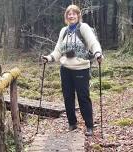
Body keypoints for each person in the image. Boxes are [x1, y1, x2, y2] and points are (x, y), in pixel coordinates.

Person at [42, 4, 102, 136]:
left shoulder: (84, 28)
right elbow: (58, 50)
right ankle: (72, 123)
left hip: (81, 69)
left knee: (83, 97)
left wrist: (98, 53)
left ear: (78, 15)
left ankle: (89, 126)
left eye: (74, 13)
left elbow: (93, 42)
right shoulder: (64, 31)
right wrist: (49, 57)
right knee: (68, 97)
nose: (71, 16)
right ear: (66, 17)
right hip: (65, 69)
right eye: (69, 14)